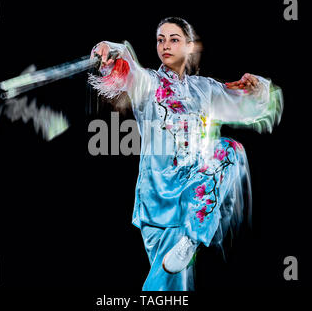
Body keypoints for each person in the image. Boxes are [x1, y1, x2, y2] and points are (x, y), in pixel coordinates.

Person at [88, 17, 283, 291]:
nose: (165, 45)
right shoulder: (149, 83)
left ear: (189, 46)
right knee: (169, 289)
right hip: (159, 202)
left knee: (228, 150)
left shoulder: (204, 88)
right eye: (160, 39)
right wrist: (109, 49)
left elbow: (247, 105)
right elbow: (129, 68)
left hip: (190, 201)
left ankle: (193, 236)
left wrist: (257, 87)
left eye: (174, 39)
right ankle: (189, 240)